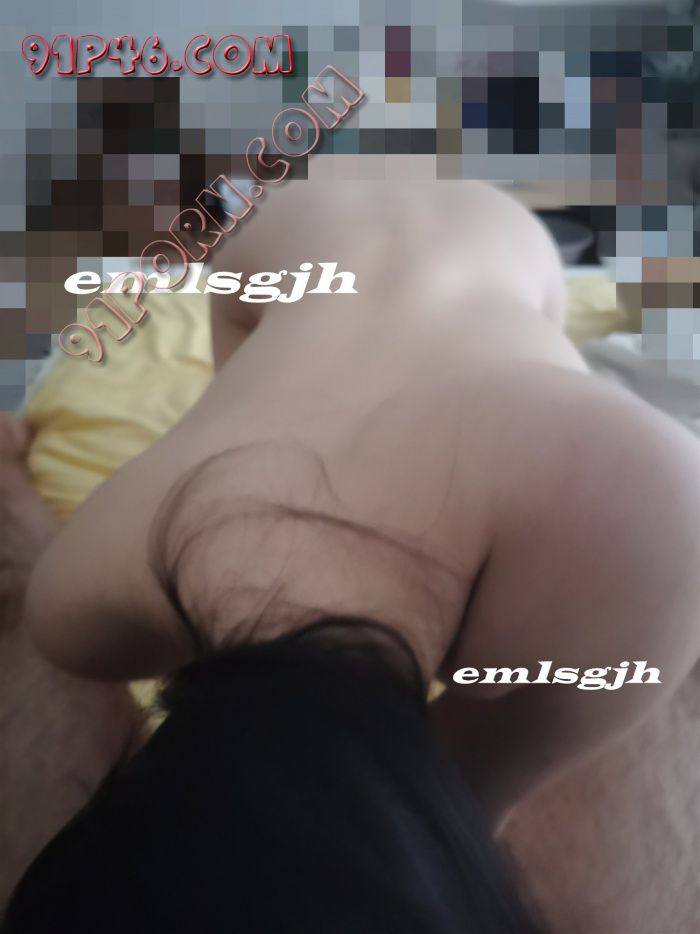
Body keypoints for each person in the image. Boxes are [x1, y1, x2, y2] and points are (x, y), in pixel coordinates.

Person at [1, 179, 698, 930]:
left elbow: (473, 801)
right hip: (335, 236)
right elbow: (473, 794)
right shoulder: (85, 595)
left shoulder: (635, 517)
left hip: (416, 241)